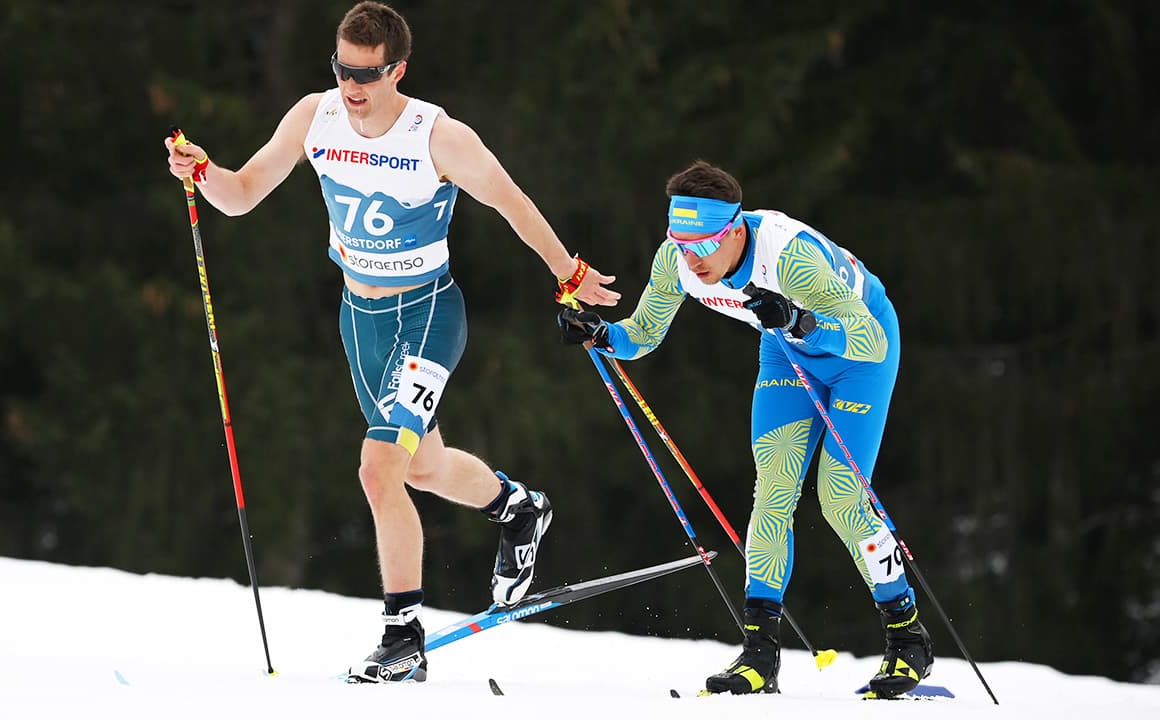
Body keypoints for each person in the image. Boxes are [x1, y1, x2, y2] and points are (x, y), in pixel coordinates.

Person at [165, 1, 619, 684]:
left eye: (366, 74)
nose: (351, 86)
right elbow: (242, 194)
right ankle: (518, 508)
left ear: (396, 69)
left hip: (428, 315)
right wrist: (202, 173)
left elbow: (510, 200)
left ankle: (402, 635)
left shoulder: (436, 135)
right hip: (361, 321)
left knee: (378, 468)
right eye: (342, 69)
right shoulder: (313, 117)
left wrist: (567, 273)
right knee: (420, 466)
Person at [557, 160, 931, 699]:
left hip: (856, 355)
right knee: (773, 490)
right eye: (681, 244)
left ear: (734, 230)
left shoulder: (791, 259)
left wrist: (801, 320)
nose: (693, 259)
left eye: (704, 245)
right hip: (785, 353)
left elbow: (869, 340)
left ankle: (907, 637)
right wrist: (601, 334)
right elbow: (642, 334)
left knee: (840, 496)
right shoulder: (678, 259)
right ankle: (759, 655)